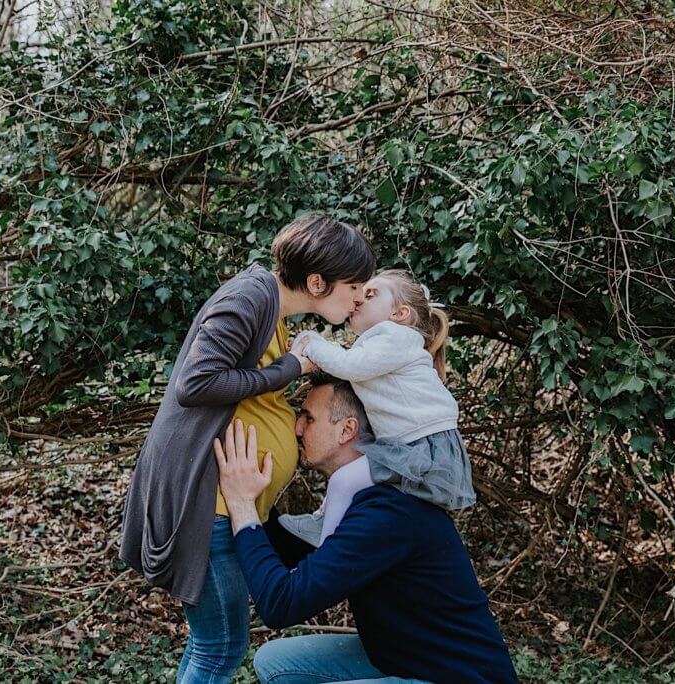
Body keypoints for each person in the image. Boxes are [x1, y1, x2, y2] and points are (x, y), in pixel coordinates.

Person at [118, 213, 375, 683]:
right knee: (222, 648)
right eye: (354, 285)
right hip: (209, 505)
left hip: (227, 505)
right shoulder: (251, 296)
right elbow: (196, 383)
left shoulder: (271, 311)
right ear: (317, 281)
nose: (360, 296)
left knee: (211, 645)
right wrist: (290, 368)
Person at [213, 375, 519, 684]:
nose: (297, 428)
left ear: (347, 430)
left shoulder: (388, 513)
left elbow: (282, 604)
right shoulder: (360, 499)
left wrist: (242, 505)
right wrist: (252, 495)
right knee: (275, 661)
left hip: (460, 678)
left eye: (308, 418)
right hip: (403, 661)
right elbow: (300, 557)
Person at [279, 269, 476, 547]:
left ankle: (326, 541)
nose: (359, 298)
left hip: (422, 446)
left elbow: (350, 366)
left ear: (400, 313)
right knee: (351, 482)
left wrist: (312, 342)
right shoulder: (383, 344)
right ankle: (328, 522)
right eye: (359, 292)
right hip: (410, 444)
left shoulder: (396, 336)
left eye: (370, 294)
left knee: (344, 481)